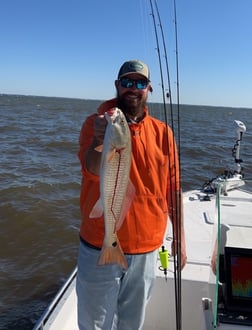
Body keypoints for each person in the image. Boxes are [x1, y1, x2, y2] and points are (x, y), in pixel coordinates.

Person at [76, 59, 187, 330]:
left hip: (147, 249)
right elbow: (90, 167)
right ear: (117, 86)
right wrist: (99, 142)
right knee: (94, 324)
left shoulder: (163, 133)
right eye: (127, 82)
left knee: (132, 324)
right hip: (100, 243)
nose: (133, 89)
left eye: (140, 83)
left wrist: (180, 237)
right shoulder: (97, 124)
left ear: (148, 89)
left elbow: (173, 187)